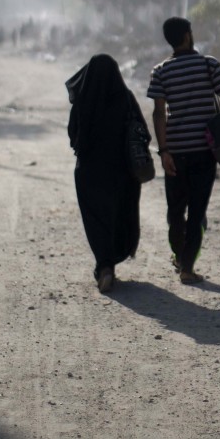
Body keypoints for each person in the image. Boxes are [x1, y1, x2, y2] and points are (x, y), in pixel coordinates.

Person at [147, 17, 220, 285]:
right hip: (205, 150)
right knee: (197, 210)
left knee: (175, 209)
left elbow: (158, 114)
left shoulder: (160, 71)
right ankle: (187, 267)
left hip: (176, 151)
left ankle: (179, 256)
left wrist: (164, 150)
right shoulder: (208, 64)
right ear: (188, 36)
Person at [66, 54, 148, 293]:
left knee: (96, 218)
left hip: (89, 172)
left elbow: (73, 135)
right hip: (122, 171)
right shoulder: (125, 97)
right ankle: (112, 259)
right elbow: (141, 131)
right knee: (120, 214)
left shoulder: (82, 99)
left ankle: (104, 265)